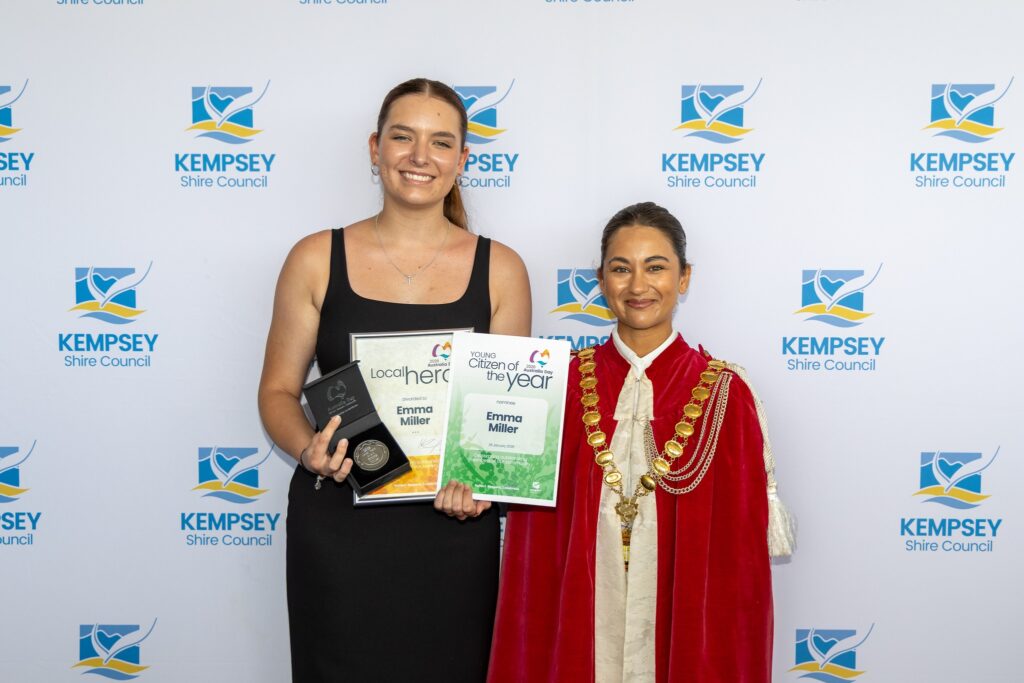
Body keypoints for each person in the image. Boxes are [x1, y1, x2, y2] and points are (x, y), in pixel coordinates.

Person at [258, 78, 531, 682]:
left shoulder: (502, 269)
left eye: (441, 142)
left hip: (453, 529)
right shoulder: (315, 258)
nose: (419, 156)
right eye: (403, 137)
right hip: (339, 528)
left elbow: (505, 420)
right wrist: (308, 449)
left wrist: (487, 482)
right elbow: (277, 392)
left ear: (462, 159)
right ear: (375, 147)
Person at [488, 202, 794, 683]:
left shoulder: (727, 395)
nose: (637, 286)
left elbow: (738, 568)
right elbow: (534, 546)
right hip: (580, 626)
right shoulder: (558, 385)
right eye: (620, 269)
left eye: (655, 267)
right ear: (600, 279)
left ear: (684, 277)